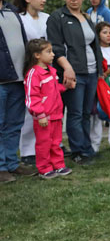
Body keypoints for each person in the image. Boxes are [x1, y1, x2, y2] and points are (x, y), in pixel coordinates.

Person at [47, 0, 103, 164]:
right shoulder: (57, 17)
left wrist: (100, 71)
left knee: (86, 113)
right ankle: (79, 150)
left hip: (92, 71)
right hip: (73, 72)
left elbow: (94, 45)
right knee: (75, 113)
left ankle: (87, 147)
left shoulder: (86, 17)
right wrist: (67, 68)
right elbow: (55, 47)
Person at [0, 0, 35, 182]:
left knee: (14, 124)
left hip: (18, 79)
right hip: (1, 81)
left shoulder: (12, 11)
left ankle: (12, 163)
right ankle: (1, 166)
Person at [23, 39, 72, 179]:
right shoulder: (33, 74)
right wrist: (40, 114)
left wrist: (65, 87)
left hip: (56, 115)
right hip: (44, 118)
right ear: (37, 55)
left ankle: (58, 165)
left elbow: (54, 89)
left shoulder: (51, 70)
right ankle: (44, 168)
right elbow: (32, 97)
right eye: (49, 52)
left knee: (56, 142)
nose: (53, 55)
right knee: (44, 144)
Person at [14, 0, 49, 166]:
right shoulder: (19, 19)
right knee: (31, 109)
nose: (43, 0)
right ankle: (27, 150)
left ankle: (51, 144)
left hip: (47, 70)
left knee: (48, 107)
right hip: (29, 70)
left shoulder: (47, 18)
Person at [89, 22, 110, 153]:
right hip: (100, 87)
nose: (108, 35)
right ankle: (95, 143)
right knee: (97, 115)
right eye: (104, 32)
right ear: (98, 34)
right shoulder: (95, 50)